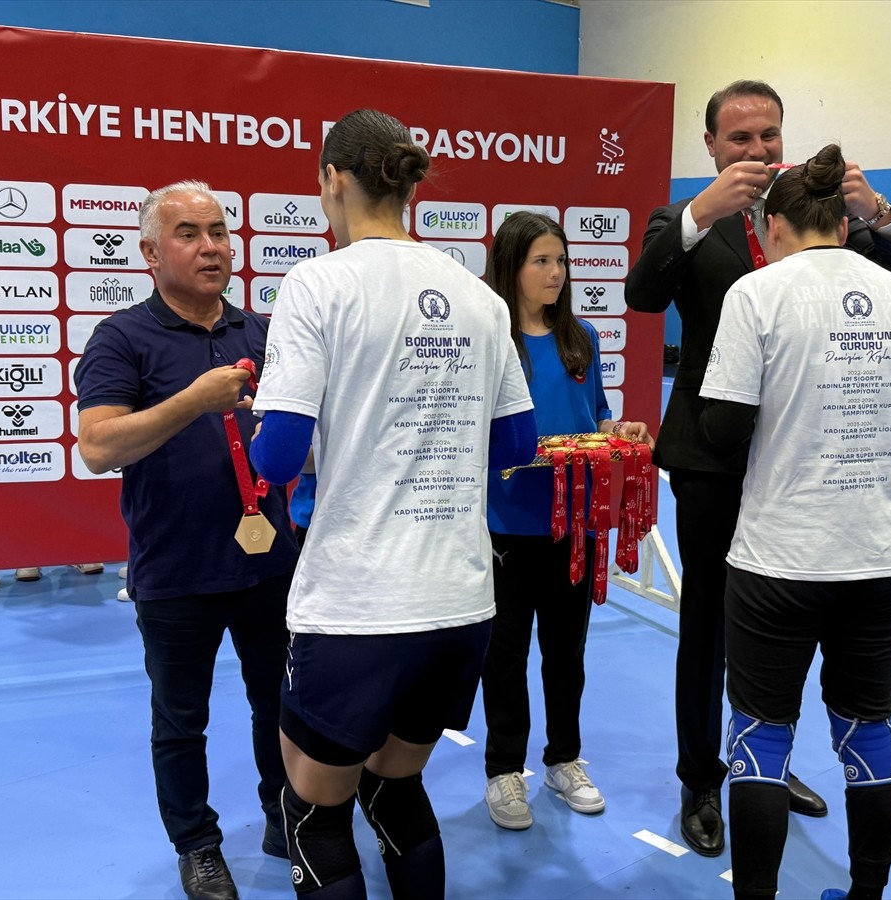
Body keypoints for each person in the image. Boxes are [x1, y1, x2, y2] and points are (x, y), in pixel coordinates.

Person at [625, 79, 891, 857]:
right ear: (711, 149)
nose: (757, 151)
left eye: (768, 135)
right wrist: (701, 214)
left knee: (795, 630)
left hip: (808, 464)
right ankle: (702, 779)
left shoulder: (825, 217)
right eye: (740, 140)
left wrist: (877, 212)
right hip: (713, 460)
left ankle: (767, 761)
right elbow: (641, 291)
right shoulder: (688, 222)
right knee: (708, 627)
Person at [249, 108, 536, 900]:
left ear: (334, 181)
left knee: (313, 811)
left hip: (357, 602)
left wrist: (256, 422)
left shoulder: (318, 282)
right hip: (460, 599)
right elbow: (516, 448)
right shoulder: (478, 298)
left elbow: (275, 458)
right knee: (394, 786)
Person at [699, 143, 891, 900]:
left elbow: (722, 430)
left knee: (760, 739)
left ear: (775, 225)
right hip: (879, 559)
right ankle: (865, 895)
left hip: (779, 560)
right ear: (843, 224)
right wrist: (888, 520)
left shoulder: (758, 294)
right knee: (867, 731)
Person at [75, 180, 298, 900]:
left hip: (270, 558)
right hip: (174, 567)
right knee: (181, 720)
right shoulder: (122, 339)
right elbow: (98, 446)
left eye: (219, 232)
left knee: (281, 703)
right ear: (149, 252)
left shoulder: (263, 334)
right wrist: (191, 401)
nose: (211, 247)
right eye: (189, 234)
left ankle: (281, 815)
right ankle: (198, 846)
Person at [479, 212, 653, 830]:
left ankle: (564, 759)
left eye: (561, 262)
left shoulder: (581, 338)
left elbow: (596, 414)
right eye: (540, 262)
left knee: (566, 652)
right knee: (503, 655)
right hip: (503, 525)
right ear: (511, 268)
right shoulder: (489, 340)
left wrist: (618, 431)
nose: (554, 274)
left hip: (572, 524)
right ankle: (503, 771)